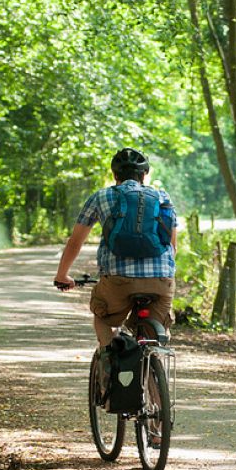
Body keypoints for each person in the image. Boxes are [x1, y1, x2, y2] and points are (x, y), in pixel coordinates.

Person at [54, 147, 177, 348]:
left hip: (117, 280)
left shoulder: (101, 196)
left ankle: (108, 356)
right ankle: (155, 359)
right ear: (145, 174)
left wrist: (62, 276)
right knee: (156, 335)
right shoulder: (162, 197)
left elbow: (75, 242)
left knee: (104, 317)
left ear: (115, 174)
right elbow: (172, 246)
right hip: (161, 280)